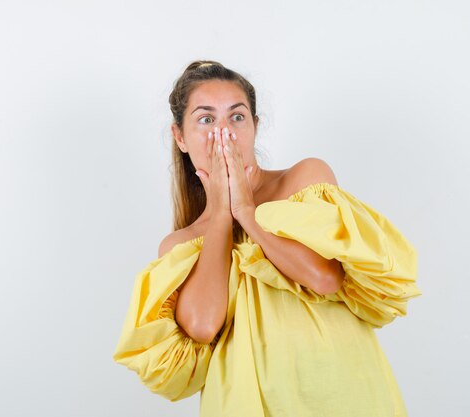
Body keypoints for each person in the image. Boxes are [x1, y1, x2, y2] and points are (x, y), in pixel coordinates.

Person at [113, 60, 422, 417]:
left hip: (339, 392)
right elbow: (201, 326)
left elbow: (324, 277)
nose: (223, 133)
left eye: (237, 117)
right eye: (206, 119)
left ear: (255, 127)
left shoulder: (304, 179)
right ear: (180, 137)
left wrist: (247, 211)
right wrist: (220, 216)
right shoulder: (180, 244)